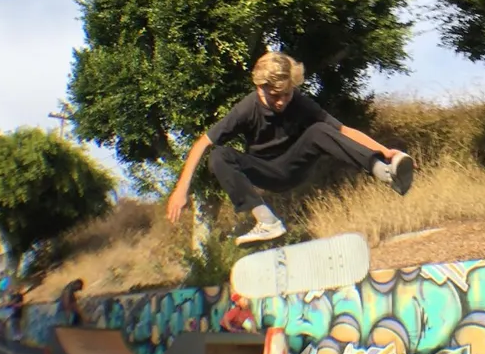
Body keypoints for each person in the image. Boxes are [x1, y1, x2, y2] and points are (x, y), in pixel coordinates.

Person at [166, 51, 415, 245]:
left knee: (319, 129)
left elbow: (343, 131)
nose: (282, 101)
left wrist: (383, 150)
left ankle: (385, 172)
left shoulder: (298, 101)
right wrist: (181, 189)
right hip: (264, 171)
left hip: (294, 166)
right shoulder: (246, 109)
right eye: (276, 96)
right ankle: (266, 221)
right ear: (260, 88)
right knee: (219, 154)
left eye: (286, 94)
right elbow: (203, 143)